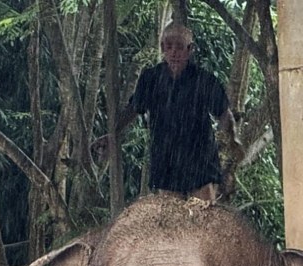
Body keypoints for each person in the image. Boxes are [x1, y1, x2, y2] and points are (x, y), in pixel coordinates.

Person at [97, 22, 238, 202]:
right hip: (166, 160)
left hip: (200, 160)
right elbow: (133, 108)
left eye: (179, 47)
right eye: (169, 46)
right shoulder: (151, 78)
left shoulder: (204, 80)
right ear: (162, 48)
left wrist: (231, 140)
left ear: (190, 50)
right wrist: (113, 134)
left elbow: (224, 114)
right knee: (171, 220)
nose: (174, 52)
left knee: (204, 218)